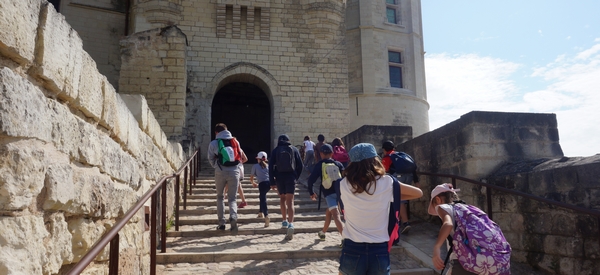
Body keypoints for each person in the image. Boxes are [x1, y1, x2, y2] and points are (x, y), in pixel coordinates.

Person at [337, 143, 422, 275]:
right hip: (379, 248)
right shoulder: (387, 183)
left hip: (352, 246)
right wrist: (392, 193)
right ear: (375, 160)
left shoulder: (343, 184)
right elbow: (418, 193)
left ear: (352, 163)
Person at [428, 183, 476, 275]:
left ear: (438, 200)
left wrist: (436, 247)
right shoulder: (467, 208)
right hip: (482, 259)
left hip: (463, 261)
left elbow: (448, 224)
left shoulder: (443, 207)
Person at [207, 123, 244, 233]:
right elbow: (240, 156)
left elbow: (210, 158)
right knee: (232, 198)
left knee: (220, 196)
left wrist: (217, 166)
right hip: (235, 171)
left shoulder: (214, 143)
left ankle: (222, 223)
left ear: (216, 132)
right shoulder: (235, 141)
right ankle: (233, 217)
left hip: (220, 171)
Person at [307, 144, 344, 244]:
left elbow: (310, 180)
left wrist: (311, 192)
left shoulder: (319, 165)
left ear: (321, 154)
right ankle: (323, 232)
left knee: (335, 214)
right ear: (332, 153)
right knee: (330, 211)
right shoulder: (338, 164)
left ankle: (345, 239)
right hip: (341, 192)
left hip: (329, 193)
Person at [269, 134, 304, 240]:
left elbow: (270, 166)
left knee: (282, 198)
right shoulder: (293, 149)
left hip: (279, 177)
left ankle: (284, 220)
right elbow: (300, 165)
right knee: (291, 201)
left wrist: (272, 181)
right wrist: (295, 177)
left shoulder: (275, 150)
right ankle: (291, 223)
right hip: (291, 177)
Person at [381, 140, 419, 234]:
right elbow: (413, 166)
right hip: (409, 176)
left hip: (398, 177)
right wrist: (416, 181)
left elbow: (384, 171)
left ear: (384, 149)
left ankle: (406, 223)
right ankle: (398, 222)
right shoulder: (402, 155)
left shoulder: (387, 157)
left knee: (399, 199)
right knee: (403, 199)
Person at [250, 151, 274, 227]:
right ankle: (260, 212)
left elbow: (251, 177)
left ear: (259, 159)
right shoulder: (268, 166)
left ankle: (266, 215)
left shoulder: (255, 166)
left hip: (262, 184)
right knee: (262, 196)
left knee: (263, 198)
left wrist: (253, 182)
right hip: (268, 183)